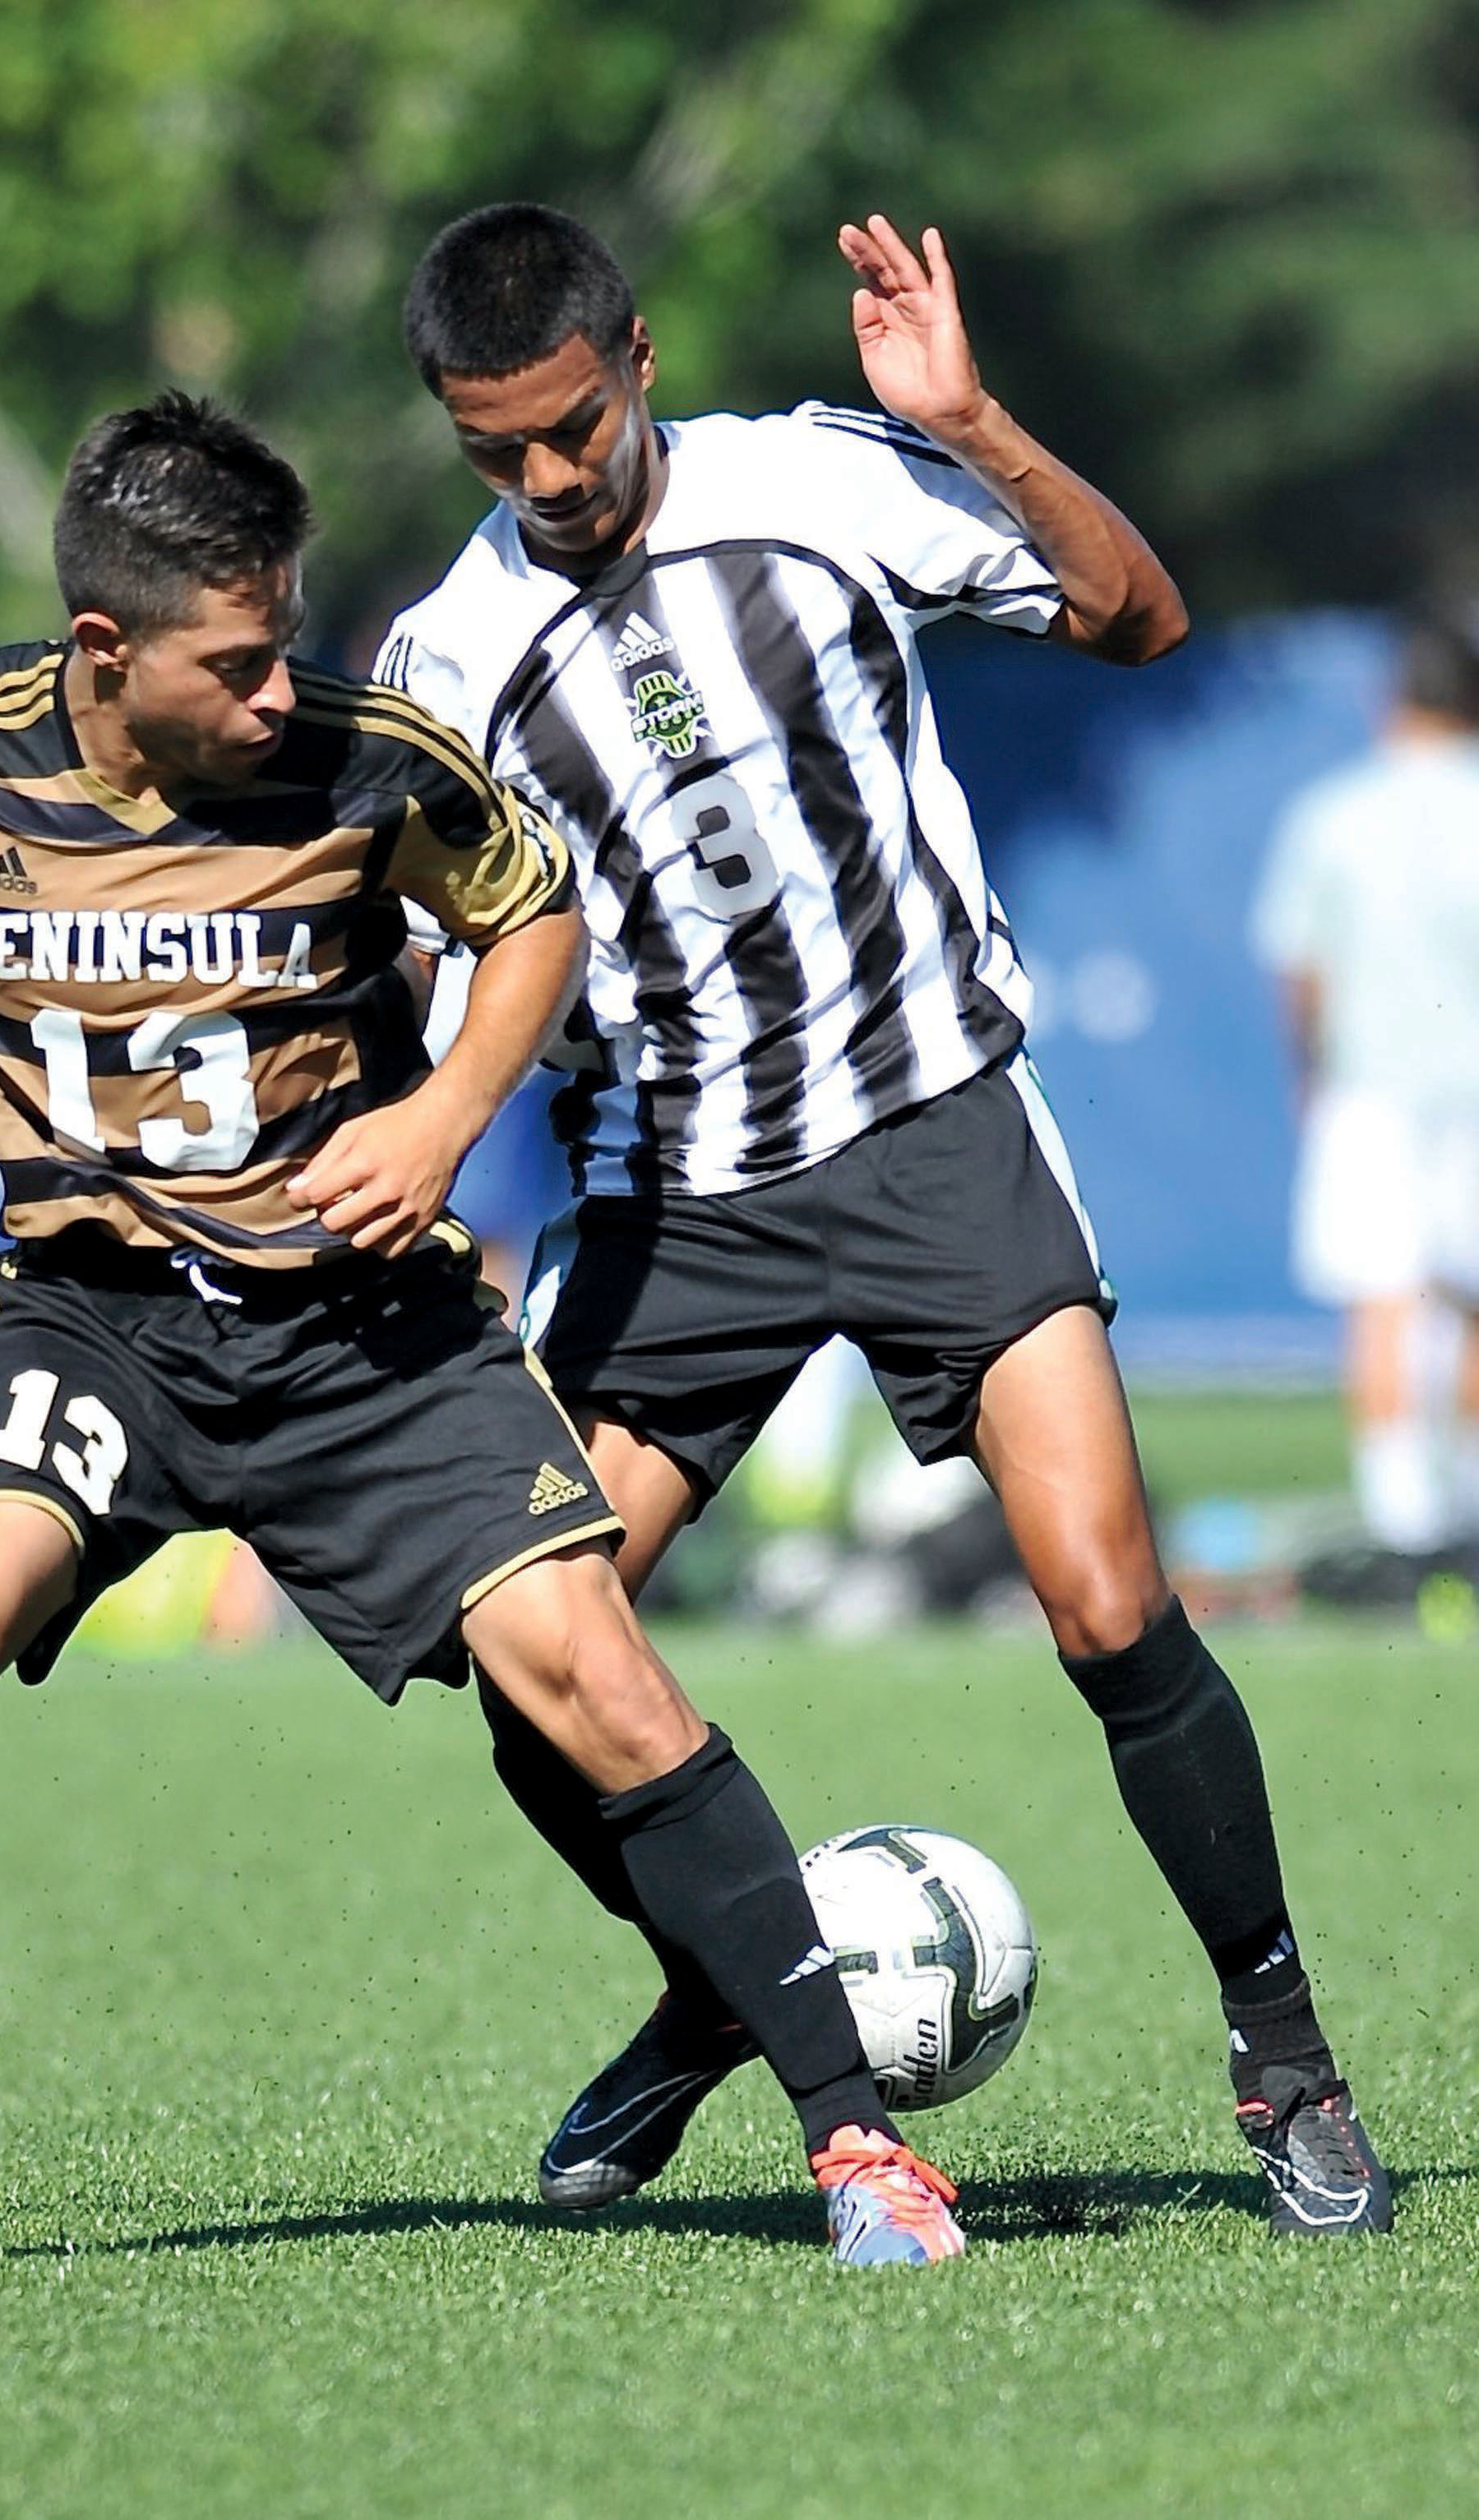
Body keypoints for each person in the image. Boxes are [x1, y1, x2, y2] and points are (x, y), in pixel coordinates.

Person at [0, 392, 966, 2266]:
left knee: (592, 1675)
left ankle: (854, 2146)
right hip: (96, 1322)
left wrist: (437, 1120)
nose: (282, 690)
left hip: (363, 1334)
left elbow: (531, 918)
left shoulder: (364, 760)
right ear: (103, 647)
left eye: (286, 642)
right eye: (239, 657)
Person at [377, 202, 1390, 2239]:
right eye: (496, 454)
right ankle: (722, 2000)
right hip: (667, 1195)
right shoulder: (441, 665)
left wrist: (974, 419)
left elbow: (1133, 617)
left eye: (569, 428)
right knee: (532, 1660)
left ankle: (1278, 2054)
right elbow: (443, 971)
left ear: (634, 357)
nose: (546, 481)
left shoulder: (816, 481)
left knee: (1104, 1600)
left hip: (928, 1118)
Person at [1252, 616, 1479, 1559]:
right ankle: (1466, 1510)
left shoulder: (1337, 814)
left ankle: (1403, 1522)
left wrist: (1308, 1071)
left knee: (1383, 1299)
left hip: (1373, 1088)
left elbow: (1302, 968)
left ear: (1394, 703)